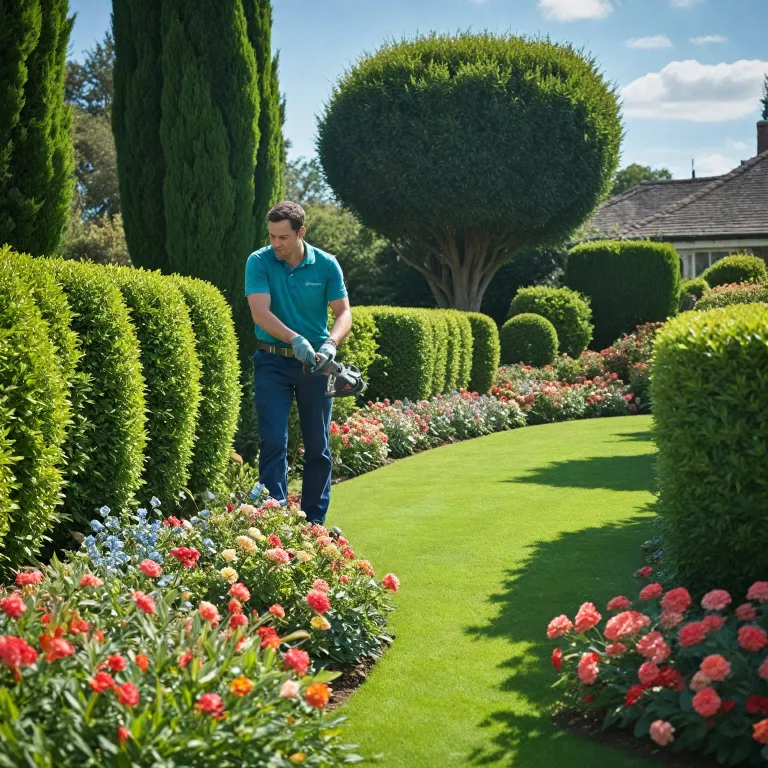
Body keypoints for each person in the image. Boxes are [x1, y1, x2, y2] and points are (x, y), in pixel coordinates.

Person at [244, 201, 352, 524]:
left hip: (316, 366)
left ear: (300, 232)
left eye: (283, 237)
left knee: (318, 447)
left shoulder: (326, 265)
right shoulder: (259, 262)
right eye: (272, 236)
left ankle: (312, 525)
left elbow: (344, 312)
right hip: (272, 361)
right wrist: (294, 338)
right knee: (274, 441)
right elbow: (260, 312)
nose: (276, 243)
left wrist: (331, 344)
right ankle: (275, 521)